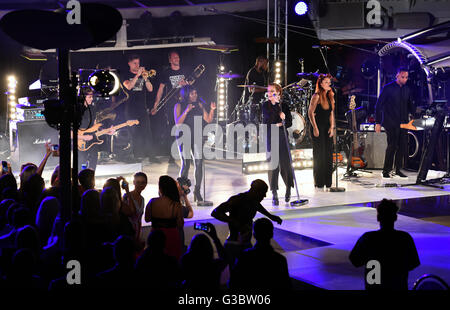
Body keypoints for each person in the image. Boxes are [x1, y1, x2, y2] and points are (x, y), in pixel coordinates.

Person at [349, 199, 420, 290]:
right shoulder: (405, 238)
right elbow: (413, 263)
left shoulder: (368, 238)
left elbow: (355, 261)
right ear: (395, 217)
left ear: (378, 217)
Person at [211, 179, 282, 267]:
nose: (264, 196)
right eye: (263, 193)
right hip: (234, 244)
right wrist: (234, 221)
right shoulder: (237, 200)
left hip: (246, 243)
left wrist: (271, 216)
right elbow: (215, 212)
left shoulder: (254, 201)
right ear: (255, 191)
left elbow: (257, 206)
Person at [174, 85, 216, 202]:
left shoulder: (199, 105)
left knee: (199, 162)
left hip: (197, 136)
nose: (195, 95)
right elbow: (178, 123)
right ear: (186, 94)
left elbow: (208, 119)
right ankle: (181, 192)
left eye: (196, 93)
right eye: (192, 94)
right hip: (184, 136)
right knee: (186, 164)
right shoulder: (179, 105)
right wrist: (187, 110)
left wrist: (212, 109)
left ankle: (197, 191)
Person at [229, 218, 291, 289]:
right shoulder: (280, 260)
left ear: (254, 235)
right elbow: (286, 286)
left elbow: (233, 283)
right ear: (271, 234)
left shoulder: (244, 257)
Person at [375, 67, 415, 179]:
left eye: (406, 77)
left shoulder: (407, 89)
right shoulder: (387, 88)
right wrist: (378, 122)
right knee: (392, 146)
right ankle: (386, 170)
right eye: (403, 77)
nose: (405, 79)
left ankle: (398, 169)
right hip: (390, 122)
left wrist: (414, 115)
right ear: (397, 76)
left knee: (402, 146)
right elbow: (378, 105)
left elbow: (410, 105)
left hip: (403, 122)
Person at [151, 50, 191, 161]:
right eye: (174, 58)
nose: (176, 59)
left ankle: (187, 153)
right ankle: (172, 155)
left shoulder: (185, 70)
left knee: (186, 127)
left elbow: (191, 84)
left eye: (177, 57)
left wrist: (187, 83)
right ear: (170, 60)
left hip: (184, 103)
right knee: (173, 129)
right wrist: (156, 105)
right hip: (172, 105)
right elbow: (160, 90)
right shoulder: (166, 73)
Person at [262, 83, 294, 205]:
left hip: (282, 136)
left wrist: (283, 120)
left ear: (278, 93)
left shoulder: (284, 105)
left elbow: (289, 122)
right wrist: (276, 110)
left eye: (272, 92)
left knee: (285, 164)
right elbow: (267, 120)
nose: (270, 94)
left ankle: (288, 189)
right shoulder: (266, 105)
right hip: (271, 136)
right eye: (269, 91)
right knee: (273, 165)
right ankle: (274, 192)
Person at [122, 54, 156, 162]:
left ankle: (151, 156)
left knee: (147, 132)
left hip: (142, 108)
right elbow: (129, 86)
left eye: (138, 63)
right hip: (131, 109)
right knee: (134, 133)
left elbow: (150, 89)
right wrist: (137, 75)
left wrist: (146, 79)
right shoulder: (125, 74)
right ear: (129, 63)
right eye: (135, 63)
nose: (137, 65)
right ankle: (136, 156)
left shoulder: (143, 75)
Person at [144, 175, 184, 260]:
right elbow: (180, 225)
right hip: (172, 237)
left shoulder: (152, 202)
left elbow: (147, 219)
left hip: (156, 237)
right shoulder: (176, 205)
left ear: (161, 188)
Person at [180, 223, 227, 290]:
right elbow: (225, 259)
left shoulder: (186, 263)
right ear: (210, 249)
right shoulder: (214, 266)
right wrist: (215, 237)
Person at [308, 74, 335, 189]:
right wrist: (315, 128)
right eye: (326, 82)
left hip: (327, 127)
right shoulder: (316, 96)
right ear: (321, 84)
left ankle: (328, 181)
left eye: (329, 82)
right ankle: (319, 181)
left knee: (328, 154)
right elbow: (310, 112)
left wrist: (332, 127)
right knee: (319, 155)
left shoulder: (330, 96)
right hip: (318, 126)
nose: (329, 84)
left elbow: (331, 113)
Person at [78, 88, 115, 171]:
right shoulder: (76, 110)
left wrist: (106, 131)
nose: (91, 99)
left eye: (92, 97)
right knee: (80, 165)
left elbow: (95, 126)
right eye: (89, 97)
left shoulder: (93, 109)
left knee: (93, 162)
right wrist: (83, 137)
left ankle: (90, 179)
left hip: (92, 141)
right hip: (80, 142)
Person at [123, 172, 148, 245]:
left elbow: (139, 220)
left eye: (143, 182)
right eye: (138, 182)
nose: (140, 185)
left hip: (136, 233)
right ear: (134, 182)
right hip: (127, 232)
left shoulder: (142, 199)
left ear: (146, 184)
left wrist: (138, 236)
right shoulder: (127, 196)